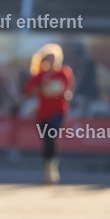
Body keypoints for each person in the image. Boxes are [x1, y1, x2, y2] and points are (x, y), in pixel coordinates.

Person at [24, 43, 74, 184]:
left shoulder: (63, 73)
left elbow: (67, 89)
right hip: (43, 113)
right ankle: (47, 167)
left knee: (52, 135)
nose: (53, 62)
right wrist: (39, 89)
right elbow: (28, 90)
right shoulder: (41, 76)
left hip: (58, 112)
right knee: (46, 140)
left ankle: (53, 167)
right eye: (50, 59)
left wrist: (67, 94)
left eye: (55, 58)